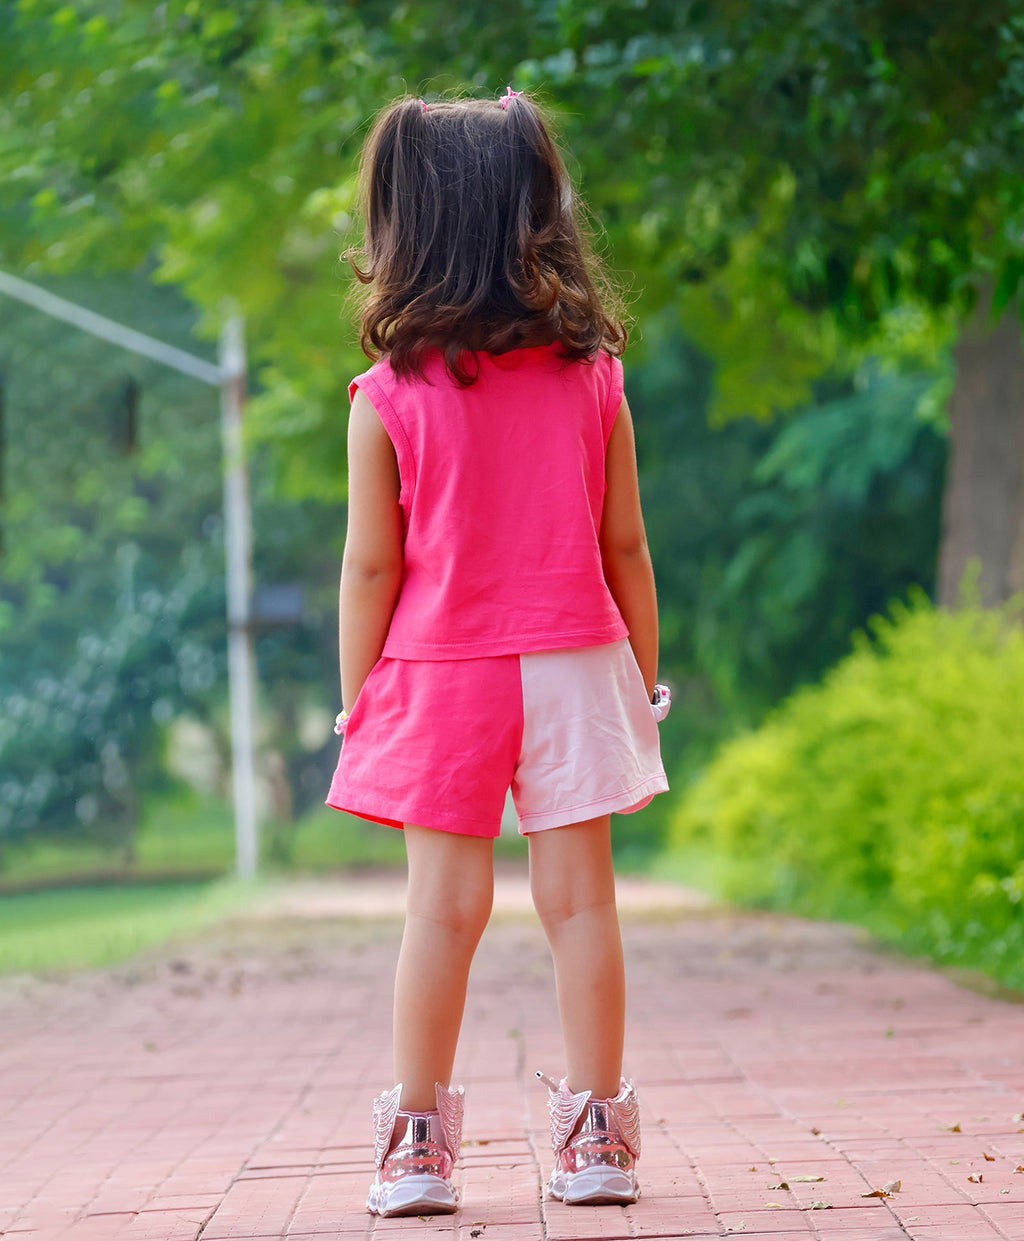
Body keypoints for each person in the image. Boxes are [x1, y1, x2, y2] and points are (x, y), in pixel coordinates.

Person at [326, 87, 670, 1219]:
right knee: (582, 905)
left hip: (440, 669)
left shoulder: (387, 397)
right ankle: (596, 1134)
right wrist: (640, 678)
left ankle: (416, 1143)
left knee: (441, 910)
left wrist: (356, 695)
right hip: (575, 655)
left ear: (407, 225)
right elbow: (624, 542)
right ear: (538, 214)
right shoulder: (595, 375)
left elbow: (372, 570)